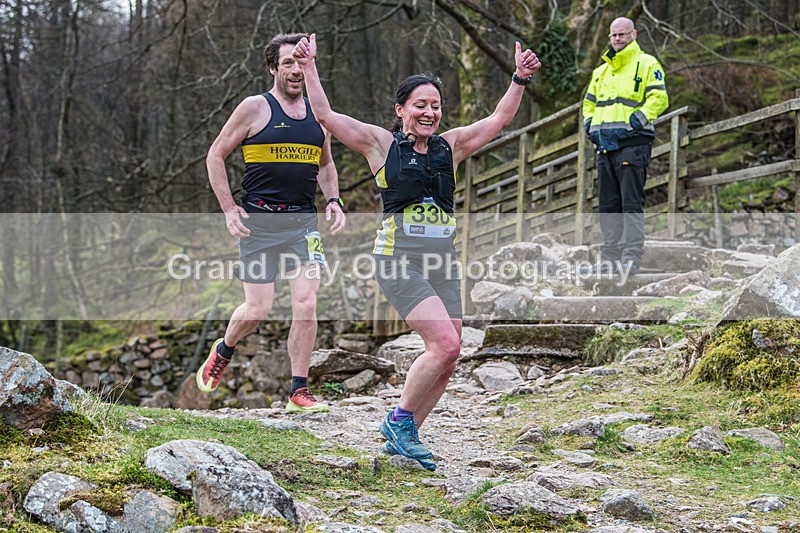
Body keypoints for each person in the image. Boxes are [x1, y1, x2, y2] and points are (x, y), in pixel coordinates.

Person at [293, 34, 540, 469]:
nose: (429, 113)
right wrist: (310, 65)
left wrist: (519, 77)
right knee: (442, 343)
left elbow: (499, 119)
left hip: (442, 262)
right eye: (420, 105)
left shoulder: (452, 146)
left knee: (452, 352)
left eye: (435, 106)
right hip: (397, 260)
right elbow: (325, 115)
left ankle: (406, 436)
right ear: (401, 109)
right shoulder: (381, 146)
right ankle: (400, 418)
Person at [197, 33, 346, 414]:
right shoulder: (254, 108)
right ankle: (225, 349)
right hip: (259, 224)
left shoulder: (319, 115)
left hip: (302, 225)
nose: (296, 70)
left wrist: (332, 199)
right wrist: (229, 207)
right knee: (258, 308)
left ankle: (299, 390)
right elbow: (215, 154)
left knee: (306, 303)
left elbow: (326, 164)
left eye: (301, 62)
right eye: (288, 64)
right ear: (273, 68)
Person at [582, 17, 668, 276]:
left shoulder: (647, 63)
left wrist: (634, 122)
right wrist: (590, 127)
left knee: (631, 202)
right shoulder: (601, 71)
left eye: (622, 34)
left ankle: (631, 256)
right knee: (608, 205)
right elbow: (588, 104)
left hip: (633, 144)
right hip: (604, 146)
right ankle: (609, 258)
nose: (617, 39)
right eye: (614, 35)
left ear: (634, 34)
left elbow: (659, 98)